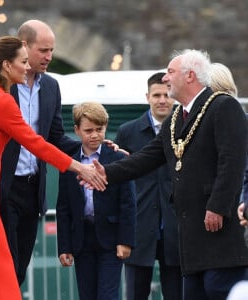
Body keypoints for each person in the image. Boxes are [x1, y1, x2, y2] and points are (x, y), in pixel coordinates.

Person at [0, 36, 104, 300]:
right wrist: (81, 168)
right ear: (7, 66)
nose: (26, 67)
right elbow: (34, 143)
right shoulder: (1, 101)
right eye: (22, 62)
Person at [87, 49, 248, 300]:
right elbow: (146, 157)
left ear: (190, 76)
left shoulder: (223, 107)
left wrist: (217, 205)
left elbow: (233, 162)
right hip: (191, 239)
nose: (165, 79)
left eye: (170, 72)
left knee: (219, 291)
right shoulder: (176, 118)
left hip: (220, 236)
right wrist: (105, 173)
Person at [56, 101, 136, 300]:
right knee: (87, 295)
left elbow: (128, 203)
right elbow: (63, 207)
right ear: (76, 130)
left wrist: (125, 241)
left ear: (106, 127)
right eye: (88, 130)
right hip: (82, 240)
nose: (94, 135)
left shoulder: (118, 158)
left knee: (108, 295)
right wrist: (65, 246)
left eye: (99, 129)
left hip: (110, 239)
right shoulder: (70, 162)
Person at [115, 72, 182, 300]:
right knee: (135, 293)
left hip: (175, 226)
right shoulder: (128, 132)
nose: (162, 100)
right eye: (156, 95)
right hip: (139, 225)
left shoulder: (186, 130)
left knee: (176, 293)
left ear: (173, 96)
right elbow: (121, 182)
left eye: (166, 94)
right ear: (147, 97)